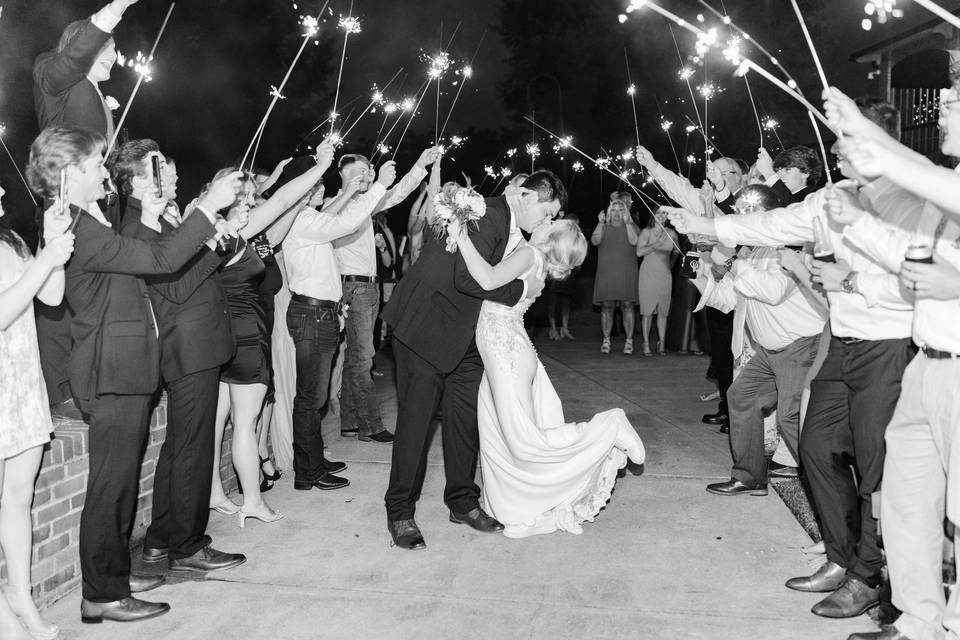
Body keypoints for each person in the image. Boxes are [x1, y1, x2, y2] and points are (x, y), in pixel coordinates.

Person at [668, 96, 919, 620]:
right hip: (840, 346)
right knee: (817, 446)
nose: (836, 152)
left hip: (888, 348)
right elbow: (772, 225)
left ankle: (868, 575)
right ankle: (840, 557)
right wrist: (707, 226)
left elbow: (923, 282)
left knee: (874, 467)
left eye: (846, 141)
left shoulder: (912, 200)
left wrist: (850, 280)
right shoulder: (830, 199)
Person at [26, 127, 240, 623]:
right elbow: (161, 258)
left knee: (120, 484)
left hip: (127, 368)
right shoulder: (76, 224)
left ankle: (115, 575)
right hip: (111, 370)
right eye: (96, 163)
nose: (104, 170)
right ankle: (101, 592)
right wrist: (209, 204)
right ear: (70, 172)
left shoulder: (85, 220)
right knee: (110, 487)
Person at [824, 83, 960, 640]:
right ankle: (917, 620)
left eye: (953, 101)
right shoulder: (943, 191)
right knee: (905, 504)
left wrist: (872, 141)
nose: (941, 108)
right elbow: (911, 254)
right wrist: (856, 217)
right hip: (924, 365)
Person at [381, 170, 558, 550]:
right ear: (525, 195)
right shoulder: (490, 214)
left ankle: (462, 502)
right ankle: (399, 511)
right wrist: (524, 289)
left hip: (466, 334)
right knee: (416, 423)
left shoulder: (509, 223)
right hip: (425, 329)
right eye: (545, 211)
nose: (547, 221)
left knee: (464, 422)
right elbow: (471, 280)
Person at [445, 213, 645, 537]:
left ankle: (608, 426)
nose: (545, 220)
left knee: (523, 441)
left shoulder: (529, 255)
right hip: (506, 351)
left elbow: (487, 279)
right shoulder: (532, 258)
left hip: (505, 353)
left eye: (551, 222)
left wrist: (461, 236)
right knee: (496, 436)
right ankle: (515, 512)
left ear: (551, 237)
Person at [113, 140, 246, 575]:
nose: (170, 177)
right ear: (134, 181)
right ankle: (187, 545)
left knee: (180, 448)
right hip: (186, 348)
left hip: (196, 345)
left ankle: (160, 541)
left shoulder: (156, 220)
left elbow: (185, 271)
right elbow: (174, 287)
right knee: (191, 450)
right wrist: (211, 242)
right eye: (159, 172)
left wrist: (219, 244)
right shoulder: (136, 226)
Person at [208, 147, 335, 525]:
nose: (252, 203)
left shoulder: (230, 233)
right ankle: (252, 501)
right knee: (243, 422)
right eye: (245, 198)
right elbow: (279, 198)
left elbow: (276, 229)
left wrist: (298, 201)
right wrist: (322, 167)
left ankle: (215, 490)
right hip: (244, 331)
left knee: (221, 420)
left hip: (231, 328)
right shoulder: (232, 232)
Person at [32, 0, 139, 422]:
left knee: (93, 296)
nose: (115, 53)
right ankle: (61, 393)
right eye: (106, 46)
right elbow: (70, 62)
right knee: (61, 300)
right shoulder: (52, 73)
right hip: (66, 203)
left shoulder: (92, 92)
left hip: (99, 203)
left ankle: (94, 383)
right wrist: (114, 9)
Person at [283, 157, 397, 493]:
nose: (320, 188)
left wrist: (353, 192)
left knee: (315, 396)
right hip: (311, 314)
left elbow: (336, 216)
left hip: (321, 313)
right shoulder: (301, 220)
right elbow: (345, 224)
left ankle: (314, 461)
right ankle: (308, 472)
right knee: (310, 397)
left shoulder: (311, 217)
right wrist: (375, 187)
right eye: (314, 184)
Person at [0, 185, 74, 640]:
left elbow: (50, 297)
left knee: (18, 499)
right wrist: (46, 261)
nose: (4, 187)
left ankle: (21, 598)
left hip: (22, 385)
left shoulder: (10, 240)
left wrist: (51, 243)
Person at [332, 149, 439, 444]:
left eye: (369, 171)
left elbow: (397, 194)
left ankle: (350, 422)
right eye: (361, 172)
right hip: (352, 287)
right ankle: (369, 425)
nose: (367, 176)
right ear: (343, 174)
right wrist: (379, 184)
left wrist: (419, 164)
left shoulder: (365, 204)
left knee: (357, 357)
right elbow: (355, 216)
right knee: (363, 358)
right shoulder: (335, 205)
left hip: (369, 287)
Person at [591, 198, 639, 354]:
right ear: (609, 212)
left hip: (627, 272)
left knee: (627, 306)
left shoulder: (632, 227)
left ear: (626, 212)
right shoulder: (603, 227)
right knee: (607, 306)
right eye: (614, 210)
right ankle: (606, 340)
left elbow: (634, 241)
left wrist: (628, 223)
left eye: (621, 210)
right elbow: (594, 241)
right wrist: (600, 222)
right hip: (607, 272)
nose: (617, 213)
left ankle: (629, 341)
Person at [635, 209, 678, 356]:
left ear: (668, 216)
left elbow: (677, 251)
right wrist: (656, 244)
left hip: (665, 275)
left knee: (663, 311)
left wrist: (671, 263)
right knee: (647, 312)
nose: (661, 215)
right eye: (658, 213)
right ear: (653, 215)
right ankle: (646, 344)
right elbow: (639, 253)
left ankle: (662, 343)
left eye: (664, 213)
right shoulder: (646, 232)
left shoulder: (671, 234)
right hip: (648, 274)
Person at [755, 146, 823, 206]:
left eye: (787, 170)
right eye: (777, 170)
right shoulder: (777, 197)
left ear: (805, 173)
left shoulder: (816, 198)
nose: (779, 175)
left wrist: (769, 174)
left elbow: (793, 212)